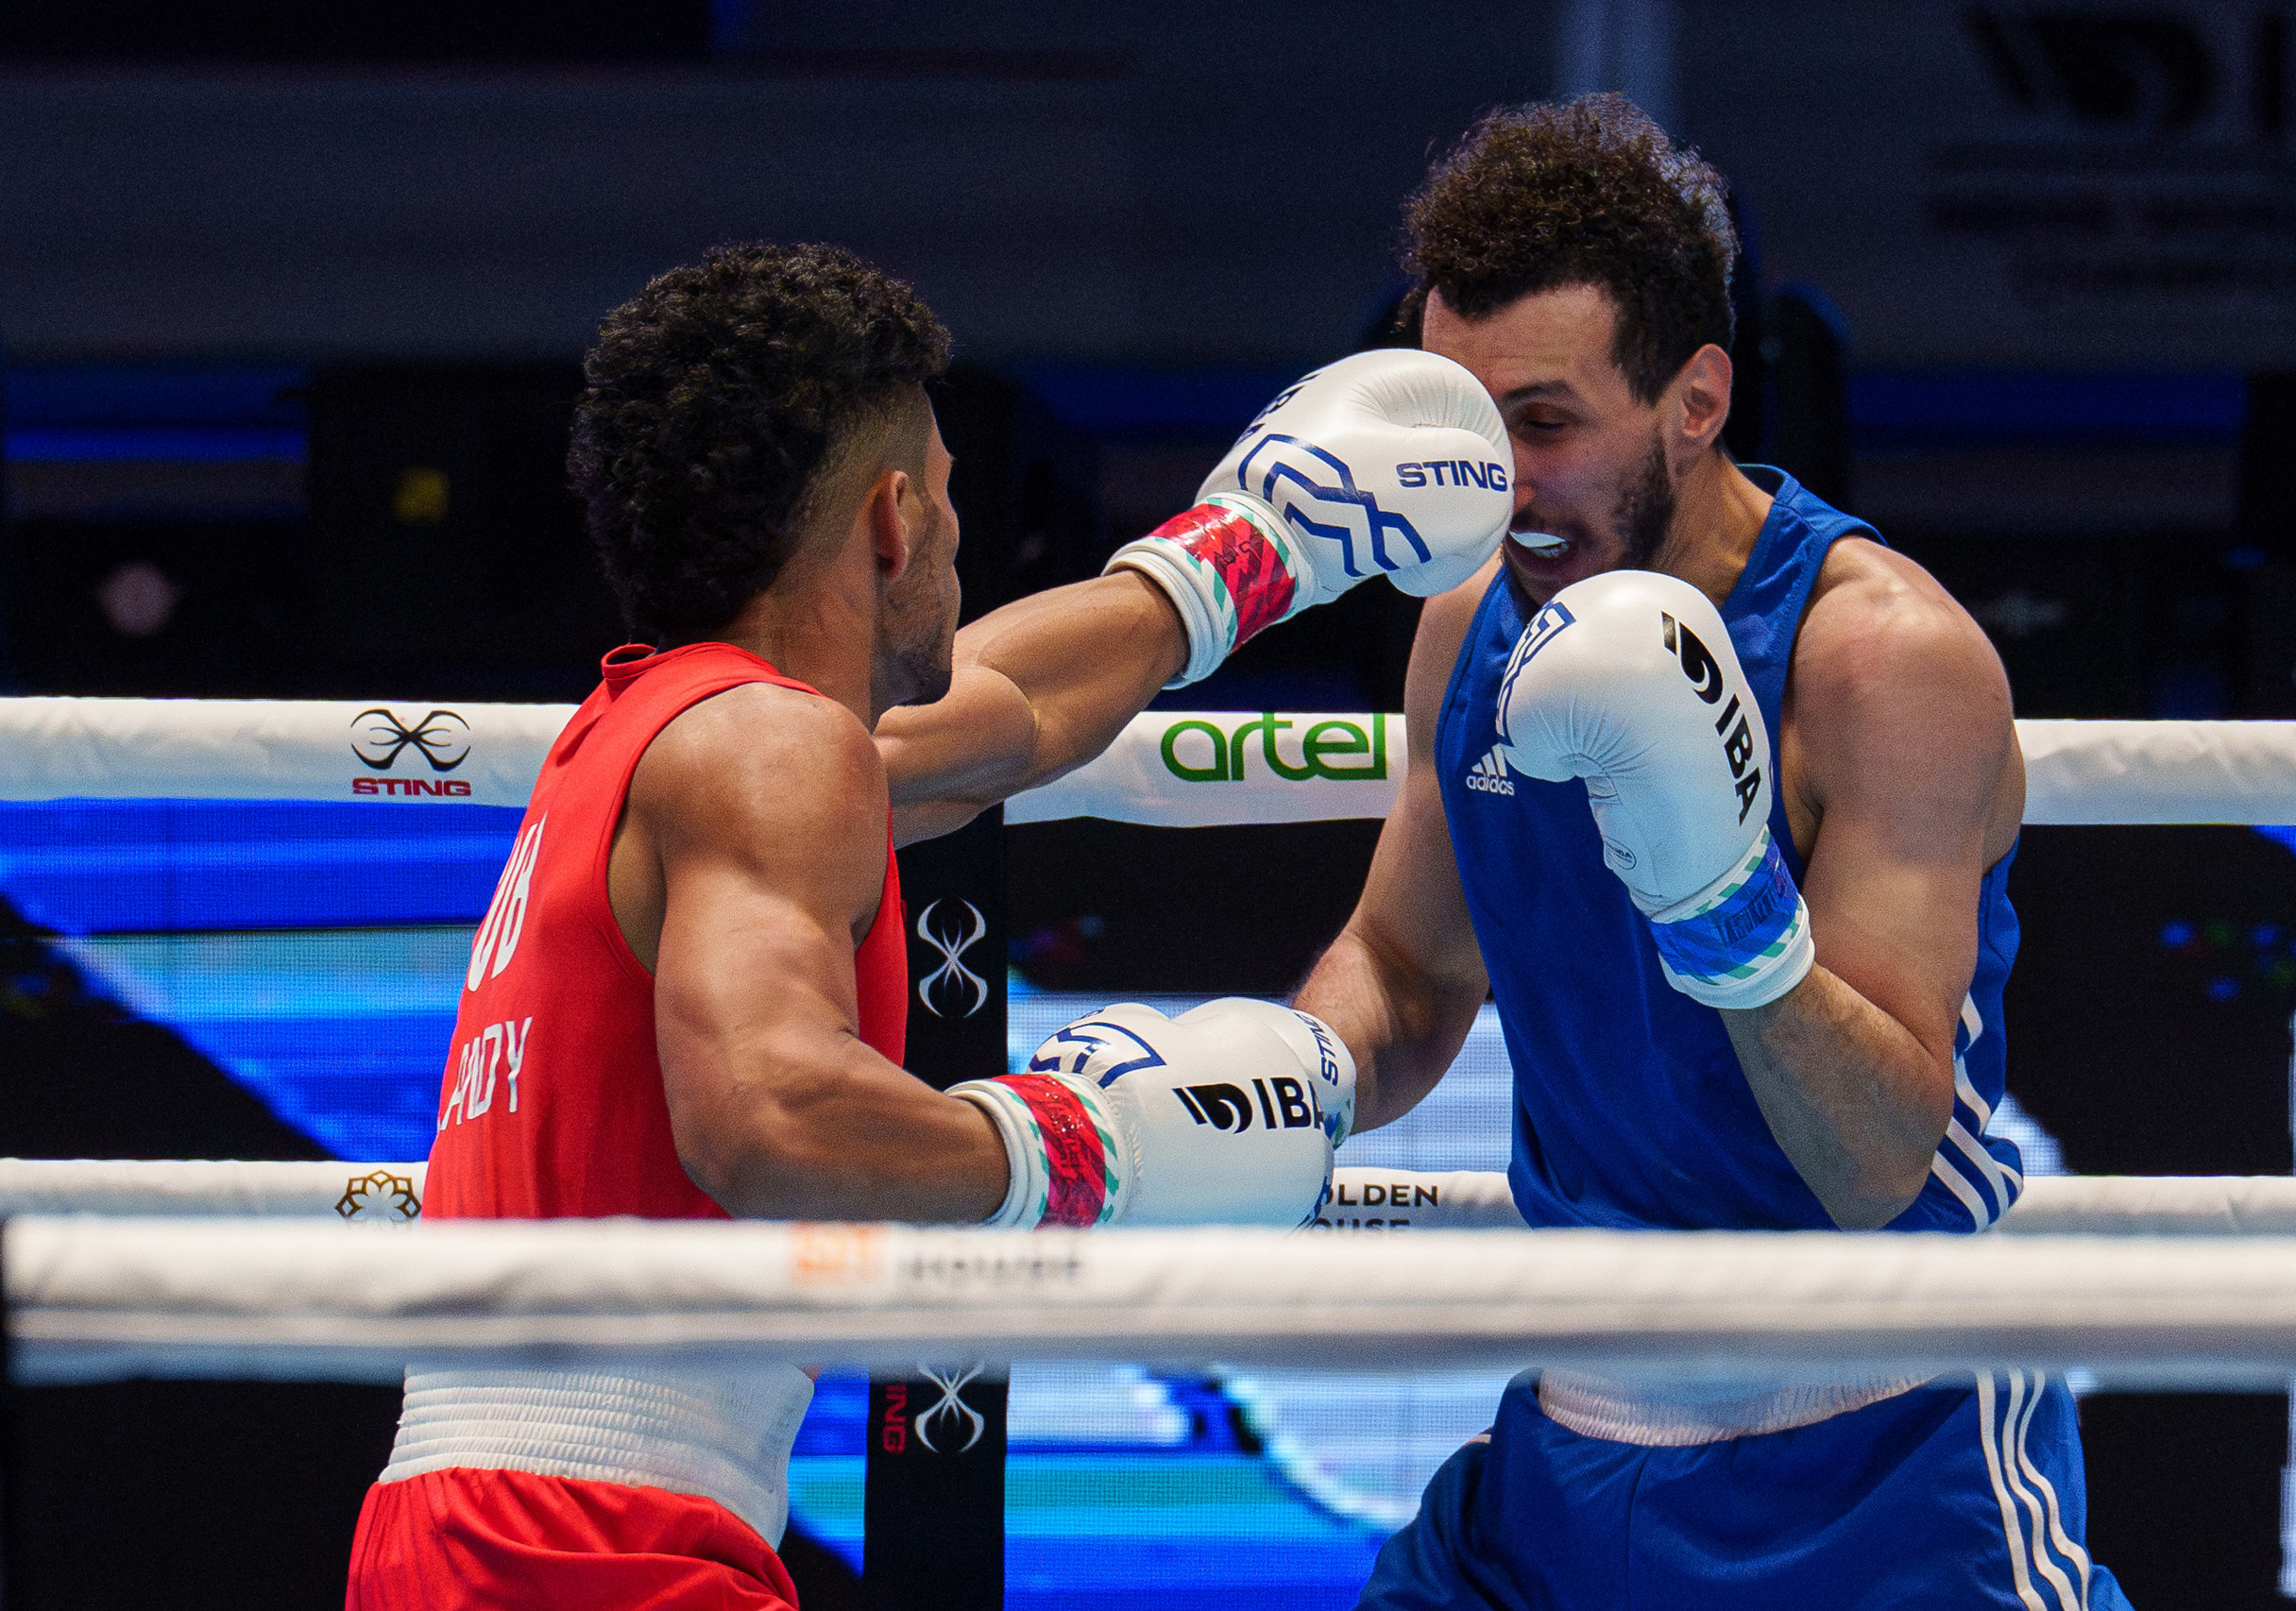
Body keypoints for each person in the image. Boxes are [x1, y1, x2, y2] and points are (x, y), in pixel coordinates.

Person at [344, 242, 1512, 1609]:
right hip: (590, 1541)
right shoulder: (770, 753)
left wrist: (1251, 554)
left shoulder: (661, 732)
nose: (962, 538)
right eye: (952, 500)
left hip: (494, 1524)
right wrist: (1079, 1151)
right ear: (895, 521)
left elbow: (1007, 715)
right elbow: (764, 1115)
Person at [1293, 97, 2133, 1608]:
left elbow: (1877, 1159)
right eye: (1462, 428)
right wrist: (1277, 1087)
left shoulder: (1878, 659)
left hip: (1880, 1460)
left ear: (1696, 398)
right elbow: (1409, 971)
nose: (1498, 482)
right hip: (1569, 1441)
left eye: (1543, 423)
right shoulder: (1462, 621)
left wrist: (1723, 904)